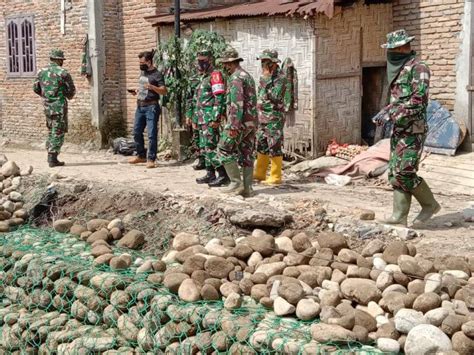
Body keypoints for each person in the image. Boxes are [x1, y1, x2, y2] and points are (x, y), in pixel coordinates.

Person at [377, 29, 440, 226]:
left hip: (413, 130)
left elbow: (418, 100)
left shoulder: (418, 68)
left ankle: (430, 205)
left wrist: (392, 113)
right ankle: (399, 216)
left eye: (393, 49)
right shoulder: (399, 69)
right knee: (395, 172)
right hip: (400, 129)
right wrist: (385, 111)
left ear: (404, 47)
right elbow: (398, 99)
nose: (390, 53)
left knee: (405, 171)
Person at [215, 48, 258, 197]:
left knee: (223, 149)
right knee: (247, 153)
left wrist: (233, 125)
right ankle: (247, 188)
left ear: (229, 64)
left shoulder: (235, 78)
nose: (225, 67)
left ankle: (235, 182)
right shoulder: (248, 76)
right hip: (250, 122)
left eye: (225, 64)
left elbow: (236, 103)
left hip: (239, 123)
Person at [33, 49, 76, 167]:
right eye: (61, 60)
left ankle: (50, 155)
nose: (62, 62)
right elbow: (71, 91)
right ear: (58, 60)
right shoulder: (63, 73)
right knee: (58, 131)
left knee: (51, 130)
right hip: (59, 107)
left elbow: (35, 88)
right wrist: (64, 96)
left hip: (47, 106)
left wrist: (47, 96)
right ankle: (52, 158)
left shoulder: (41, 72)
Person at [193, 50, 229, 187]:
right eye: (199, 60)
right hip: (202, 118)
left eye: (203, 60)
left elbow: (219, 98)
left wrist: (215, 118)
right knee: (204, 147)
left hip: (209, 118)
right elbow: (198, 100)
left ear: (210, 60)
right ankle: (210, 173)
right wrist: (196, 119)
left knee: (211, 146)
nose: (200, 63)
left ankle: (223, 175)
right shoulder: (203, 77)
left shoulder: (215, 75)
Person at [128, 50, 167, 169]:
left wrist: (152, 87)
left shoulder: (157, 74)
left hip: (152, 107)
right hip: (140, 105)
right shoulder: (143, 73)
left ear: (149, 62)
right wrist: (136, 91)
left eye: (143, 62)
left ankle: (151, 159)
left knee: (151, 134)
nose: (141, 64)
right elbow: (143, 88)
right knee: (136, 131)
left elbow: (164, 91)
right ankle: (141, 155)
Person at [254, 49, 287, 185]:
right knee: (262, 144)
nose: (263, 65)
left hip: (274, 116)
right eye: (262, 62)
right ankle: (260, 173)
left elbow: (275, 96)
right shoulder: (263, 77)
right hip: (262, 116)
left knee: (274, 145)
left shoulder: (281, 78)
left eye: (265, 62)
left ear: (273, 63)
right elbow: (260, 95)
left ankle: (275, 176)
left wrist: (266, 80)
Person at [186, 66, 205, 171]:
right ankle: (201, 160)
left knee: (208, 139)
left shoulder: (211, 78)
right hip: (196, 113)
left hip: (207, 113)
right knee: (197, 137)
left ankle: (210, 162)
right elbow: (189, 98)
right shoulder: (193, 79)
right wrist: (189, 114)